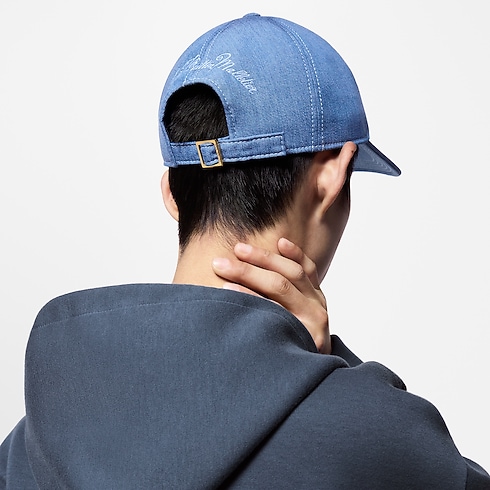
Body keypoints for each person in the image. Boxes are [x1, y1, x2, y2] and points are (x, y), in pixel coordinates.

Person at [1, 12, 488, 489]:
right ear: (331, 177)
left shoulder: (28, 447)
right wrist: (323, 367)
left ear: (172, 194)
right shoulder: (381, 442)